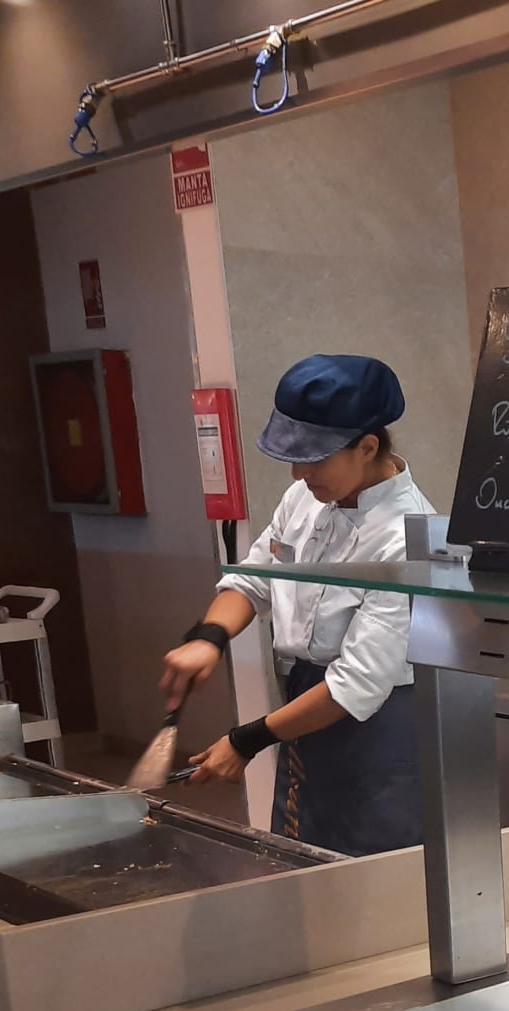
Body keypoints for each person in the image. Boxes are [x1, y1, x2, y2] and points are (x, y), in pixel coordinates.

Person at [160, 354, 434, 857]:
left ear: (367, 447)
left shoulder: (408, 537)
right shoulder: (305, 499)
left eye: (314, 458)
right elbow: (255, 579)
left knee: (371, 878)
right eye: (293, 456)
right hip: (304, 704)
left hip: (374, 726)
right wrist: (208, 639)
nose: (298, 473)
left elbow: (356, 686)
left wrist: (246, 740)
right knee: (300, 863)